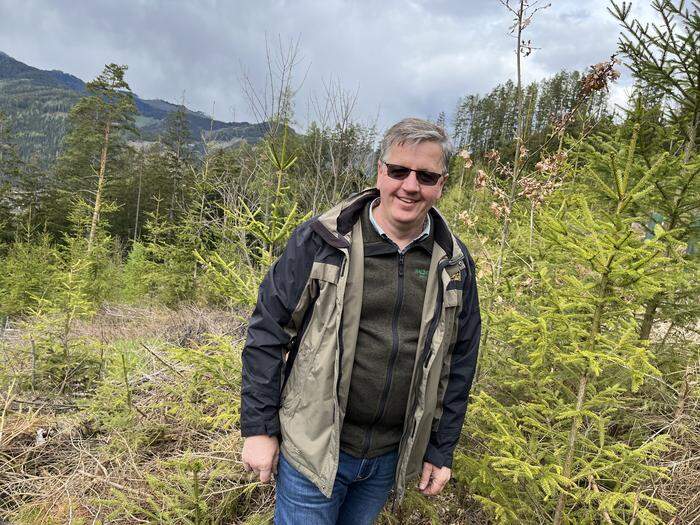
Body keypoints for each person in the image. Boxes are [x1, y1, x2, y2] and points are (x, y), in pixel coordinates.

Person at [240, 117, 481, 525]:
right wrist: (259, 429)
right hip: (312, 450)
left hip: (387, 459)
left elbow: (460, 362)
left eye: (425, 175)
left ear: (441, 184)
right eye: (399, 170)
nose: (410, 185)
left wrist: (440, 449)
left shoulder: (453, 263)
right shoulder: (323, 241)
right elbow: (268, 331)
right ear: (380, 171)